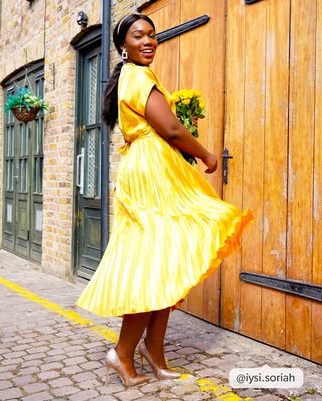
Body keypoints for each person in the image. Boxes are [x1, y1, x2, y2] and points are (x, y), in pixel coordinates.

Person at [76, 13, 254, 387]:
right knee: (153, 264)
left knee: (166, 262)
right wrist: (206, 154)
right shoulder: (138, 76)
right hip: (151, 176)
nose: (148, 41)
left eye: (152, 35)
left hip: (152, 172)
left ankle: (153, 352)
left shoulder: (131, 76)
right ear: (122, 45)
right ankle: (122, 353)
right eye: (138, 36)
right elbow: (170, 127)